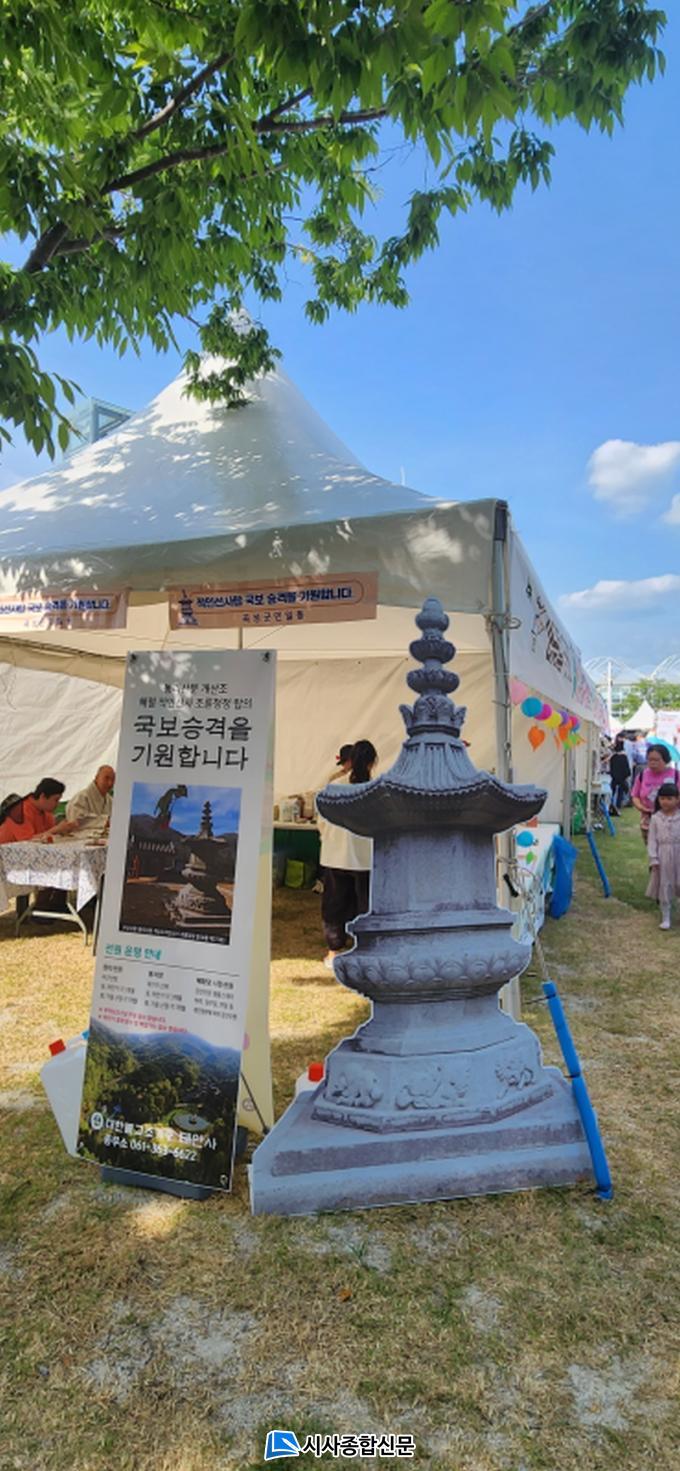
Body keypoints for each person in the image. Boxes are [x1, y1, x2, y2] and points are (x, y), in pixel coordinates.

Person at [317, 739, 377, 969]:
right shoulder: (376, 789)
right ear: (371, 762)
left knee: (335, 905)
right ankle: (364, 949)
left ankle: (333, 952)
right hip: (366, 859)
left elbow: (322, 822)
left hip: (336, 856)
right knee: (365, 906)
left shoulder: (334, 787)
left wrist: (330, 840)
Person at [645, 782, 680, 929]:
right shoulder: (655, 818)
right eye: (662, 798)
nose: (665, 801)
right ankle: (666, 917)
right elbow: (652, 840)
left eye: (669, 798)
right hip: (663, 856)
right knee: (664, 884)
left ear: (677, 799)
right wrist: (653, 858)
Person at [0, 779, 78, 844]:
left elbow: (48, 835)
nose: (58, 804)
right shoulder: (19, 810)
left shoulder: (46, 812)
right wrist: (57, 829)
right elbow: (27, 841)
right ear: (42, 796)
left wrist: (63, 830)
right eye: (56, 800)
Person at [631, 744, 678, 844]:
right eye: (650, 760)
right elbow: (635, 796)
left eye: (656, 760)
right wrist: (642, 808)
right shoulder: (642, 775)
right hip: (648, 821)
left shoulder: (675, 775)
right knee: (652, 849)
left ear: (665, 759)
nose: (652, 763)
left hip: (672, 821)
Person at [66, 765, 115, 829]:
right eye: (106, 778)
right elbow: (75, 820)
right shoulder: (81, 797)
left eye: (113, 780)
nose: (110, 783)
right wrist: (104, 821)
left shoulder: (110, 800)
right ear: (97, 778)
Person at [608, 737, 631, 815]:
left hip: (614, 778)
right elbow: (627, 770)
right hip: (622, 779)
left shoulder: (613, 757)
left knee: (613, 792)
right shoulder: (624, 757)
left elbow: (611, 768)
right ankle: (618, 806)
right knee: (620, 793)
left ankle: (612, 806)